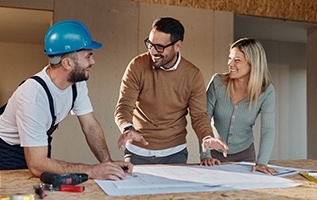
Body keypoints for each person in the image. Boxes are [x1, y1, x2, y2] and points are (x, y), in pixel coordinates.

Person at [0, 20, 132, 180]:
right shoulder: (33, 96)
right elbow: (36, 164)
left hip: (37, 148)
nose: (93, 62)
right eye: (88, 56)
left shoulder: (77, 84)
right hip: (6, 152)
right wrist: (92, 170)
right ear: (67, 63)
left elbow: (90, 125)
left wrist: (108, 164)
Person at [114, 17, 228, 165]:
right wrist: (127, 128)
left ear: (177, 46)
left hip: (174, 153)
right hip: (137, 151)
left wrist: (207, 137)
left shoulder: (192, 75)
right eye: (150, 44)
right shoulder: (137, 66)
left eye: (160, 47)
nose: (153, 51)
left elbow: (199, 115)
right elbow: (124, 107)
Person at [200, 38, 278, 175]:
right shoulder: (217, 83)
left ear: (253, 64)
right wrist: (206, 155)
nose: (230, 64)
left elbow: (268, 129)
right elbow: (203, 117)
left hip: (246, 155)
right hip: (214, 155)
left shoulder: (266, 91)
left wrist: (262, 162)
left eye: (237, 60)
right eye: (230, 58)